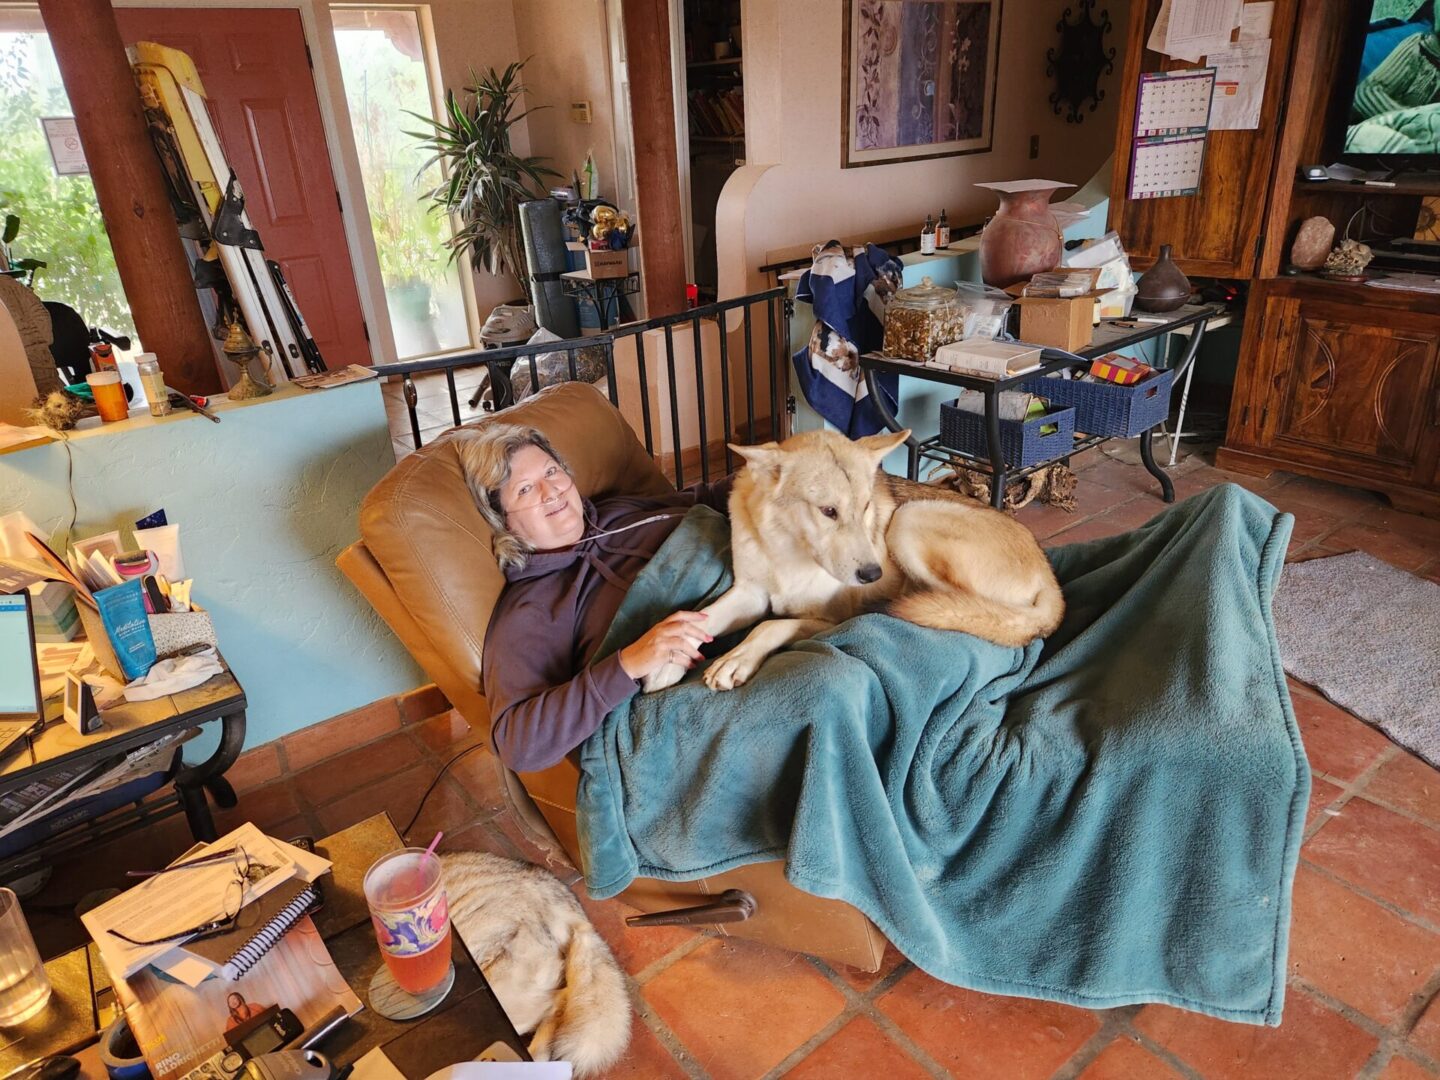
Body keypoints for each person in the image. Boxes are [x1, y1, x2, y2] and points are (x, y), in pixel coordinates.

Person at [458, 424, 732, 773]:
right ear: (503, 521)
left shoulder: (616, 512)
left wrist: (789, 467)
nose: (551, 491)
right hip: (708, 681)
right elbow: (518, 742)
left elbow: (705, 499)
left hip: (774, 594)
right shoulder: (532, 606)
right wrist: (629, 662)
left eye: (552, 471)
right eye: (525, 489)